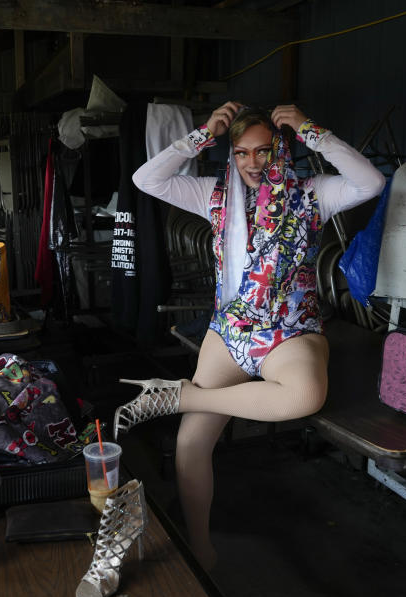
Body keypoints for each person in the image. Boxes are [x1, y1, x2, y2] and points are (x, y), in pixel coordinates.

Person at [117, 101, 385, 568]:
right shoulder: (213, 195)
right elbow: (147, 180)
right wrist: (202, 135)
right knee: (191, 442)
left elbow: (371, 181)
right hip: (230, 333)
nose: (252, 164)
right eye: (241, 153)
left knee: (302, 398)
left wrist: (308, 128)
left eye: (263, 151)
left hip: (290, 333)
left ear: (283, 149)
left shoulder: (312, 195)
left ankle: (179, 396)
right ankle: (199, 544)